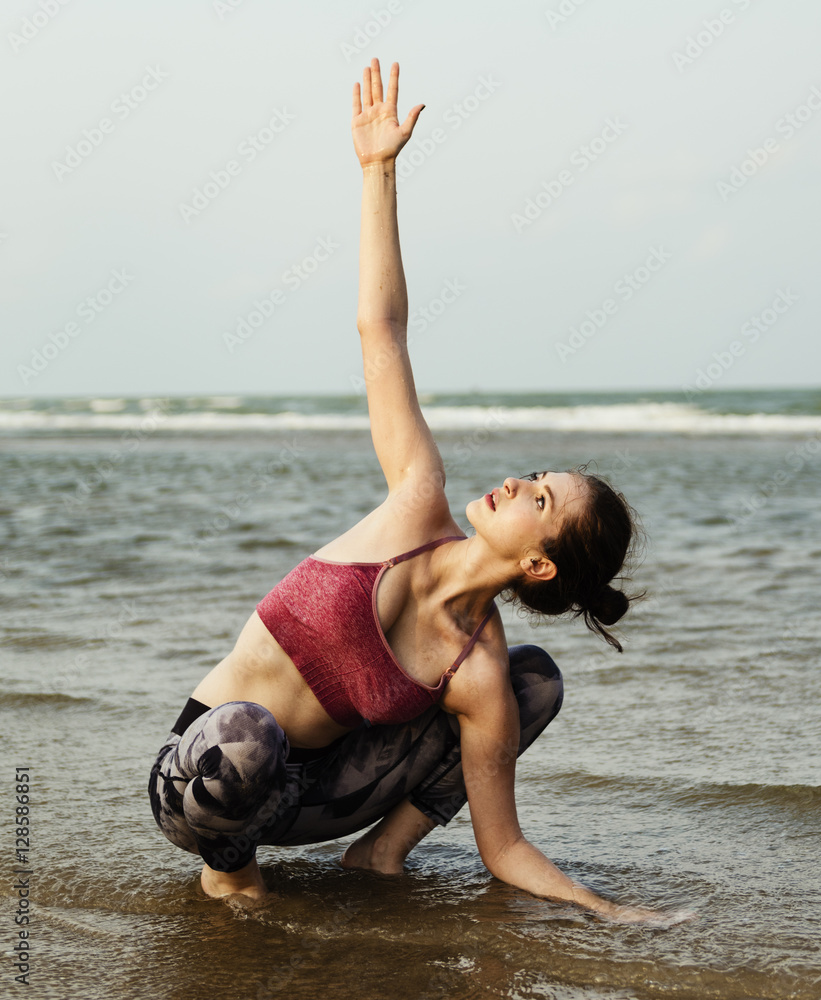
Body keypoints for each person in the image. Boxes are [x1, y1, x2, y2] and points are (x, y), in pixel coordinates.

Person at [148, 59, 688, 926]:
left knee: (532, 685)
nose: (516, 482)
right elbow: (382, 328)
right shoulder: (417, 498)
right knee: (247, 735)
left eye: (539, 500)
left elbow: (503, 847)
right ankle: (230, 876)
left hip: (317, 797)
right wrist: (378, 171)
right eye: (537, 478)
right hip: (209, 776)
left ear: (541, 565)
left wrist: (614, 910)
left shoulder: (474, 668)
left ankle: (380, 853)